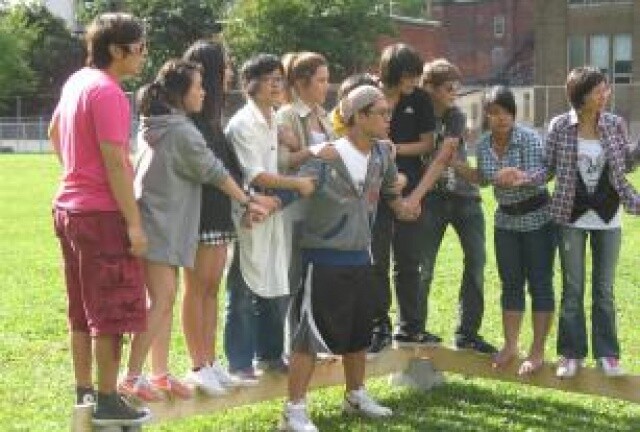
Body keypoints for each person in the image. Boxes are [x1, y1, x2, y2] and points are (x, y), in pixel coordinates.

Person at [280, 84, 445, 432]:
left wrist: (401, 206)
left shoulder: (384, 153)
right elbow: (296, 188)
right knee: (307, 336)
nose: (390, 119)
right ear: (358, 117)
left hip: (361, 257)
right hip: (321, 259)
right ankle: (293, 411)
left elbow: (387, 189)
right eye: (382, 113)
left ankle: (355, 394)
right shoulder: (326, 155)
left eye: (389, 112)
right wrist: (267, 203)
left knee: (358, 333)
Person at [118, 59, 271, 401]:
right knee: (162, 300)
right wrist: (248, 201)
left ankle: (157, 375)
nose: (203, 91)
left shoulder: (158, 123)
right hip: (159, 225)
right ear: (179, 93)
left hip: (160, 223)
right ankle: (130, 377)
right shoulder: (182, 131)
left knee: (162, 300)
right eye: (197, 86)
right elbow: (214, 171)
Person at [499, 66, 640, 378]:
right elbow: (547, 169)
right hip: (569, 216)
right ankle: (570, 355)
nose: (606, 94)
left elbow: (625, 164)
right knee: (572, 288)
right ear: (582, 95)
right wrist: (523, 178)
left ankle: (608, 355)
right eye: (599, 90)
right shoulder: (560, 126)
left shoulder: (615, 124)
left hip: (608, 216)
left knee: (604, 289)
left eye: (606, 89)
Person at [49, 12, 151, 426]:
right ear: (116, 50)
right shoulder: (108, 92)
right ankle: (108, 399)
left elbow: (55, 130)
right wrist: (134, 223)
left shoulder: (77, 81)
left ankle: (85, 391)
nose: (144, 56)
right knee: (112, 310)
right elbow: (114, 161)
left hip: (69, 210)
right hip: (101, 215)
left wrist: (75, 172)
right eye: (139, 48)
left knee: (81, 310)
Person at [225, 53, 316, 381]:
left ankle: (271, 356)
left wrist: (288, 140)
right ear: (250, 85)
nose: (279, 85)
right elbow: (257, 175)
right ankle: (238, 363)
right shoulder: (244, 123)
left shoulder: (272, 118)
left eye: (280, 79)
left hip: (269, 211)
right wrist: (295, 185)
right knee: (244, 286)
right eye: (271, 79)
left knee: (274, 282)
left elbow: (280, 158)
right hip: (247, 210)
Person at [452, 86, 555, 375]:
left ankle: (536, 352)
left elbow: (543, 174)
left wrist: (519, 178)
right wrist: (455, 164)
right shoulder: (483, 145)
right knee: (510, 284)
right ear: (487, 115)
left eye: (507, 111)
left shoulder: (529, 138)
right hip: (506, 223)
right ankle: (510, 346)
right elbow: (483, 180)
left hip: (537, 219)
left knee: (540, 284)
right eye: (496, 112)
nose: (502, 118)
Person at [180, 40, 247, 393]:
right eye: (226, 65)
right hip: (199, 215)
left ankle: (209, 360)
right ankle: (197, 363)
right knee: (197, 288)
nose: (231, 72)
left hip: (220, 216)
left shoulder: (213, 119)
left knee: (211, 289)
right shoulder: (191, 120)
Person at [419, 59, 496, 354]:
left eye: (457, 87)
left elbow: (447, 154)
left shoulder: (456, 116)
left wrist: (453, 161)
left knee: (476, 262)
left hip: (465, 197)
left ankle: (467, 333)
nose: (455, 93)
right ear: (430, 88)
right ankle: (414, 327)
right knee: (422, 267)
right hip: (431, 200)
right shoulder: (416, 116)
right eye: (449, 88)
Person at [370, 43, 437, 355]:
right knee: (376, 259)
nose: (414, 82)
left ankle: (411, 327)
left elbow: (426, 145)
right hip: (372, 189)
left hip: (408, 186)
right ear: (393, 73)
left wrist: (393, 148)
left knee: (409, 259)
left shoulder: (420, 100)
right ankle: (378, 324)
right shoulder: (369, 94)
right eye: (409, 76)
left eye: (417, 76)